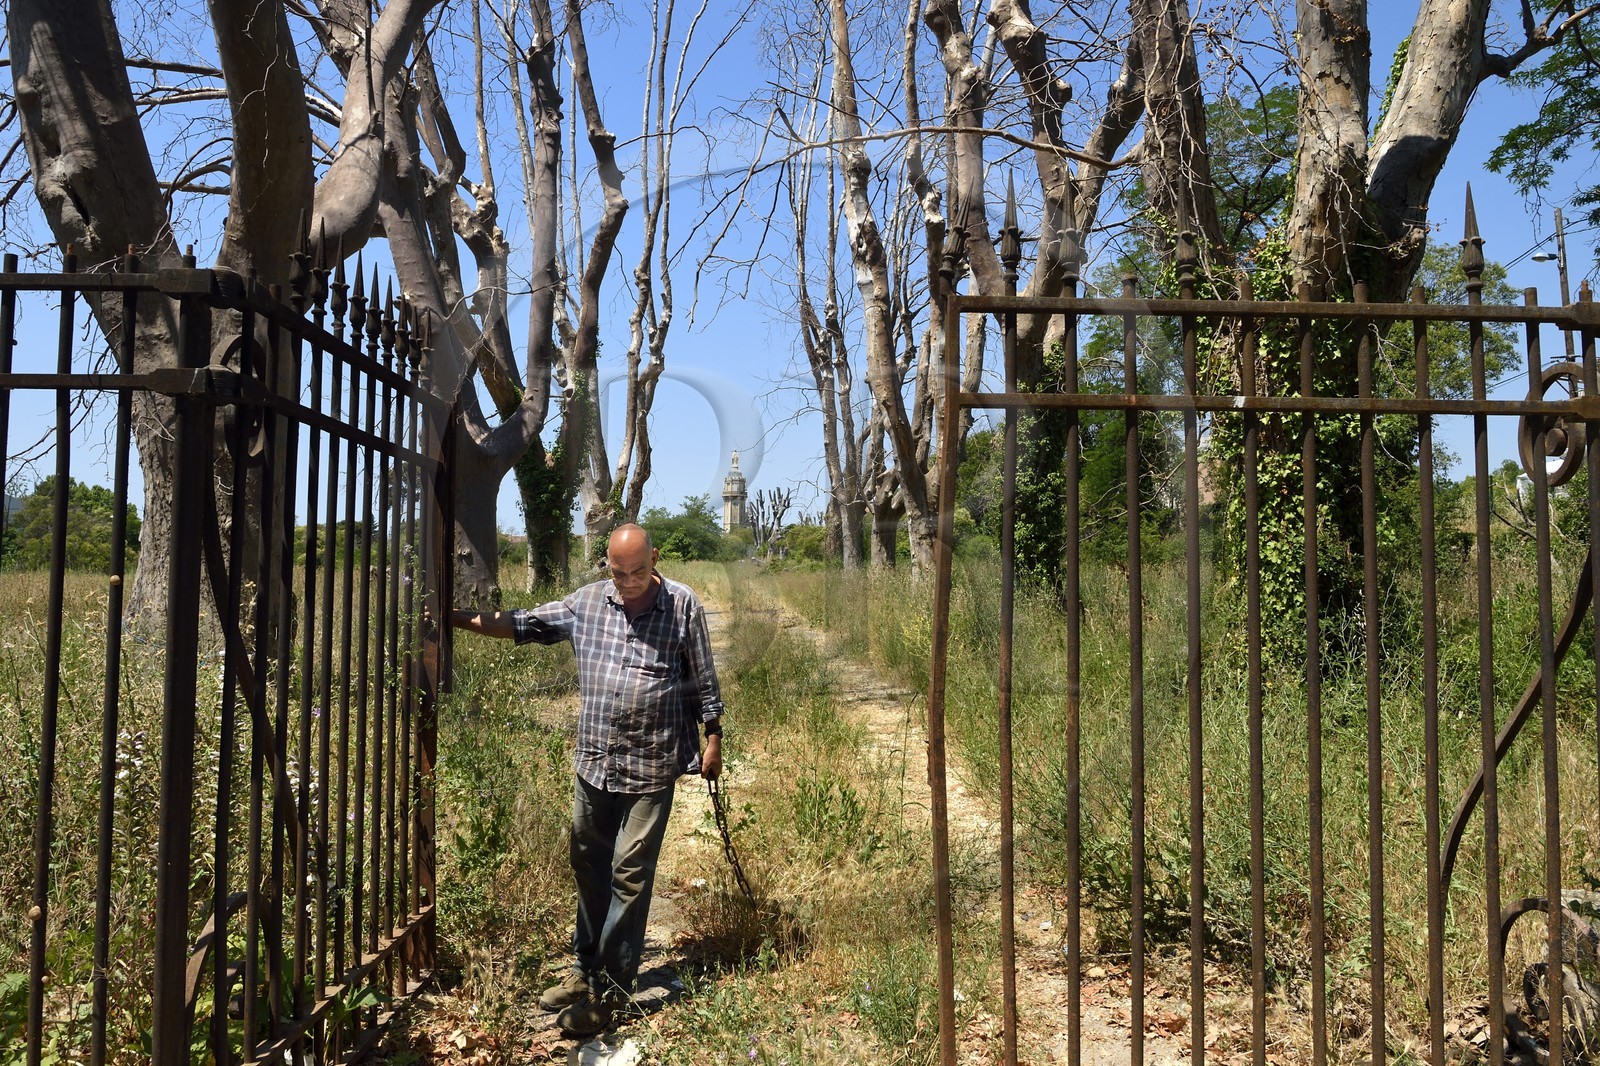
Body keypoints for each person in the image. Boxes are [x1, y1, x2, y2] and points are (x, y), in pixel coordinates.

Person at [449, 523, 724, 1036]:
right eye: (619, 573)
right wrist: (457, 618)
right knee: (589, 864)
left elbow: (703, 677)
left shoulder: (683, 604)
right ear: (607, 566)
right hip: (595, 761)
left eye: (638, 570)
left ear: (655, 560)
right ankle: (583, 968)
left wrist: (713, 738)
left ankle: (612, 992)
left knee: (629, 873)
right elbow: (525, 623)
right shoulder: (588, 603)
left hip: (652, 764)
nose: (629, 581)